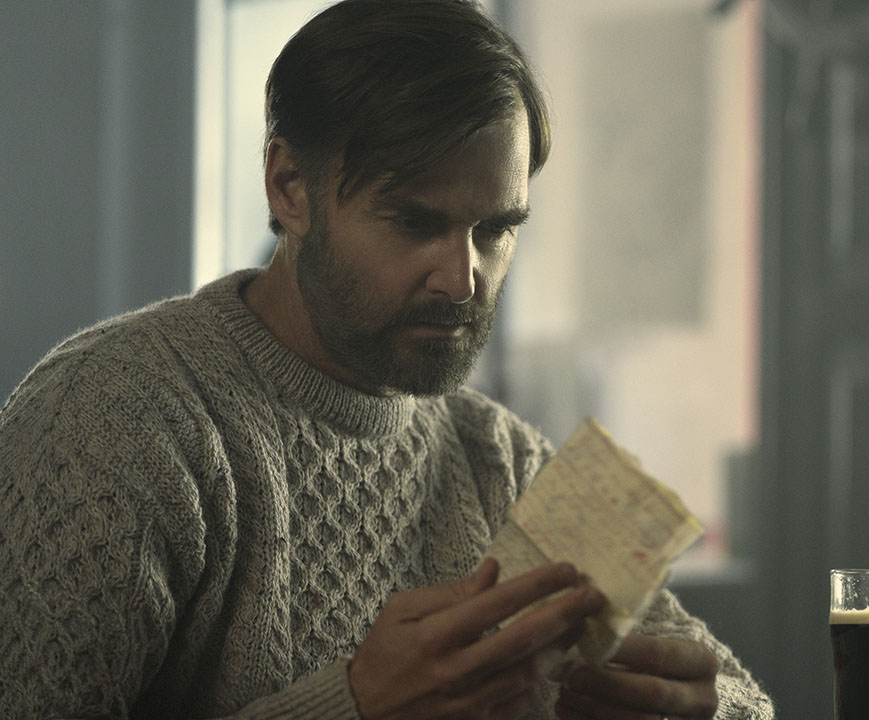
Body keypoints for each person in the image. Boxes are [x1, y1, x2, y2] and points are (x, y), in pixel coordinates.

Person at [0, 1, 775, 718]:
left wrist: (705, 710)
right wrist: (354, 705)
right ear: (289, 187)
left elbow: (748, 700)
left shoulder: (504, 460)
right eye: (415, 221)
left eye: (497, 229)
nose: (462, 278)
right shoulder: (110, 421)